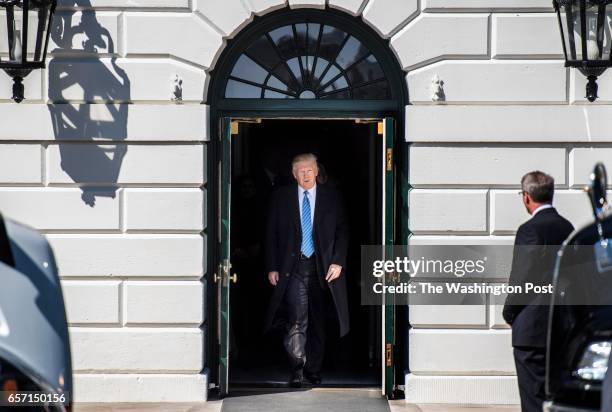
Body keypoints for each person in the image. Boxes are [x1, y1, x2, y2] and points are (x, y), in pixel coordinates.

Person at [264, 153, 349, 387]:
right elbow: (270, 233)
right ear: (294, 174)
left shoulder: (332, 197)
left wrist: (338, 261)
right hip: (293, 267)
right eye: (301, 170)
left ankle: (314, 369)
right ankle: (297, 368)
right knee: (297, 318)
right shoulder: (281, 197)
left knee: (318, 320)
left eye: (310, 169)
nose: (306, 174)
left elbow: (343, 231)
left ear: (317, 171)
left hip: (323, 268)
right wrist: (272, 266)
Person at [503, 171, 574, 412]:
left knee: (532, 400)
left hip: (532, 329)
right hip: (561, 327)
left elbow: (523, 277)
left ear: (526, 197)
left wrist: (509, 314)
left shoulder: (529, 230)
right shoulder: (568, 228)